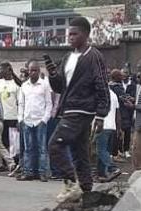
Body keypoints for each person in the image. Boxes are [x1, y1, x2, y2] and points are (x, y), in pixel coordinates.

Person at [46, 17, 110, 201]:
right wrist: (52, 74)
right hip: (69, 108)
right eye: (69, 34)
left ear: (86, 34)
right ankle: (86, 191)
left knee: (55, 145)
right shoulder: (67, 57)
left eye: (75, 34)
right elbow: (60, 87)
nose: (71, 37)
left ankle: (71, 184)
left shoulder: (93, 56)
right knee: (79, 152)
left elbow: (102, 84)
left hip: (81, 110)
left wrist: (101, 115)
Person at [17, 61, 53, 182]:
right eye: (31, 70)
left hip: (40, 121)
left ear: (39, 71)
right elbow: (21, 104)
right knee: (28, 148)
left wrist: (45, 119)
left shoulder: (44, 85)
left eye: (35, 70)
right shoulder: (24, 86)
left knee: (42, 148)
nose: (32, 73)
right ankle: (28, 172)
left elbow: (49, 104)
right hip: (27, 120)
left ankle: (42, 172)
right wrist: (20, 119)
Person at [0, 63, 21, 162]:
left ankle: (14, 162)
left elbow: (20, 102)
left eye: (1, 69)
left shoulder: (16, 84)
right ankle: (5, 162)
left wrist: (19, 118)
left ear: (8, 69)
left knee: (13, 142)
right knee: (2, 142)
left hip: (13, 116)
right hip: (1, 116)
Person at [97, 87, 121, 181]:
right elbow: (117, 113)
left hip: (102, 125)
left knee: (101, 150)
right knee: (104, 150)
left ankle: (113, 168)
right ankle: (101, 174)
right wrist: (118, 128)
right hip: (112, 126)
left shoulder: (99, 94)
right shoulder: (114, 95)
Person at [109, 69, 135, 160]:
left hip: (113, 111)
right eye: (120, 75)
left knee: (117, 131)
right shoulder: (117, 87)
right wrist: (132, 100)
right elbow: (123, 97)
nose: (122, 77)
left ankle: (117, 151)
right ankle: (120, 151)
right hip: (121, 111)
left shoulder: (109, 86)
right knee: (124, 130)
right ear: (116, 77)